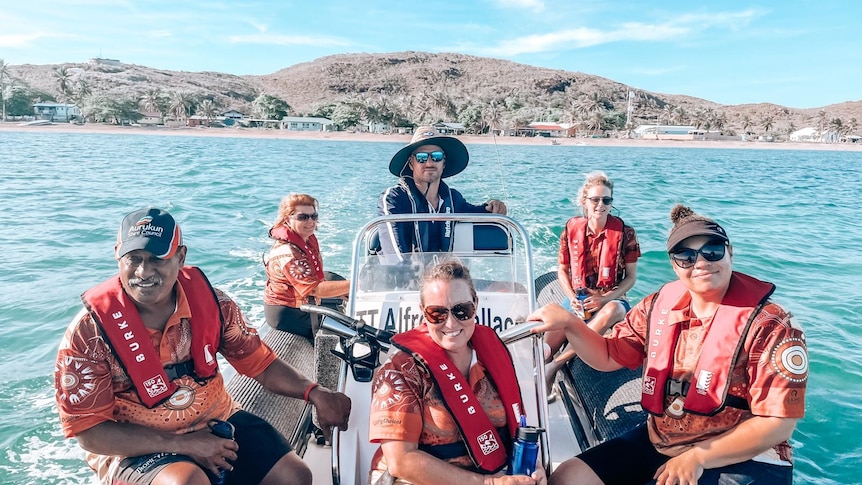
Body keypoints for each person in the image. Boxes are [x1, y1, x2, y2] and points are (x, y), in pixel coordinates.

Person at [54, 207, 351, 485]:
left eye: (157, 258)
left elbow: (260, 364)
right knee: (187, 481)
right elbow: (90, 432)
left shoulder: (214, 304)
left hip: (217, 419)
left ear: (180, 257)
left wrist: (315, 393)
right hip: (136, 447)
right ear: (118, 256)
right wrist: (183, 445)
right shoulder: (89, 332)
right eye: (134, 259)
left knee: (294, 476)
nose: (143, 272)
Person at [529, 204, 808, 485]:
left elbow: (778, 423)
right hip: (662, 439)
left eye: (712, 250)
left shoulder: (772, 324)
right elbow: (608, 356)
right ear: (675, 265)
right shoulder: (657, 306)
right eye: (686, 256)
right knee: (567, 478)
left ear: (730, 252)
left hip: (746, 457)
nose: (700, 262)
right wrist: (570, 323)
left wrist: (698, 457)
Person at [367, 260, 546, 485]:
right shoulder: (399, 371)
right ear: (423, 312)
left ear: (476, 305)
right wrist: (486, 483)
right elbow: (400, 461)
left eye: (462, 310)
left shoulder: (493, 354)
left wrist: (533, 468)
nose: (451, 323)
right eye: (437, 313)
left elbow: (514, 427)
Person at [544, 171, 641, 396]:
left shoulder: (626, 234)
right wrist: (571, 298)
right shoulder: (571, 230)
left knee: (613, 310)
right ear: (584, 202)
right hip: (577, 298)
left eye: (606, 200)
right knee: (546, 348)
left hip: (612, 299)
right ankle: (545, 365)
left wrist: (605, 298)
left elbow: (631, 278)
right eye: (595, 200)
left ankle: (557, 365)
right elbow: (562, 270)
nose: (601, 205)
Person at [378, 125, 507, 258]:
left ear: (444, 163)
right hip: (397, 276)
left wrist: (495, 205)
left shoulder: (453, 199)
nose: (429, 163)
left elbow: (482, 212)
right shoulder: (393, 199)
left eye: (437, 156)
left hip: (439, 276)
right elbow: (394, 256)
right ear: (411, 164)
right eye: (421, 157)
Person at [264, 193, 350, 340]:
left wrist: (342, 291)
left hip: (306, 304)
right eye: (303, 217)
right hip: (288, 313)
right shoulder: (287, 251)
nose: (310, 222)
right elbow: (313, 289)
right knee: (346, 334)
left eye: (313, 216)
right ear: (287, 218)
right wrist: (356, 285)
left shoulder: (307, 239)